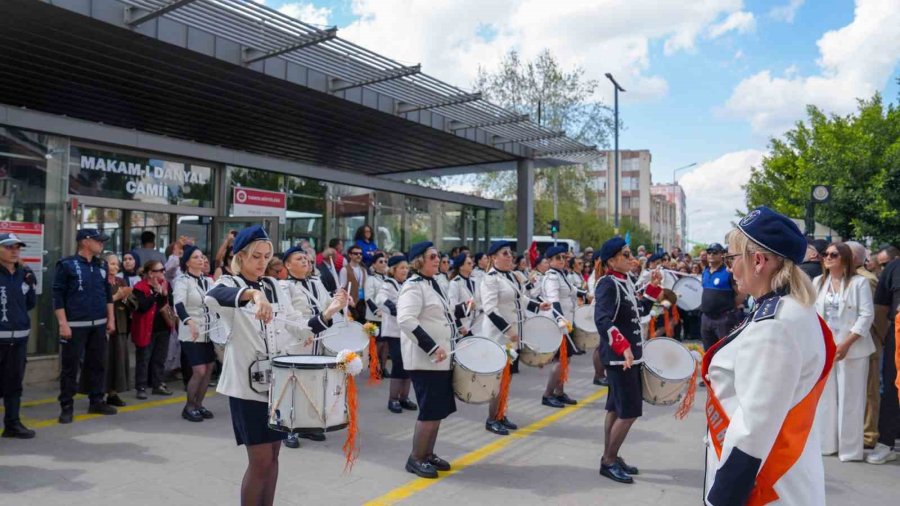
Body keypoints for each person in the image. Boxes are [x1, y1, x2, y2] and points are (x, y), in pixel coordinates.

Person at [205, 226, 347, 506]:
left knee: (273, 456)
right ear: (241, 256)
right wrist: (253, 296)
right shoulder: (231, 284)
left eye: (266, 256)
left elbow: (299, 329)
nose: (261, 262)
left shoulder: (274, 287)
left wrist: (330, 310)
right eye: (255, 256)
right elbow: (213, 296)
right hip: (246, 389)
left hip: (278, 386)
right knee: (259, 461)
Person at [703, 206, 834, 505]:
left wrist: (722, 498)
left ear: (758, 261)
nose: (729, 269)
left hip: (765, 486)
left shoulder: (775, 325)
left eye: (732, 259)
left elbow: (754, 427)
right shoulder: (785, 309)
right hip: (779, 472)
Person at [593, 237, 662, 484]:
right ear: (611, 261)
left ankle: (611, 454)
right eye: (624, 254)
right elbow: (602, 320)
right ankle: (608, 461)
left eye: (629, 252)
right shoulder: (607, 284)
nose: (629, 256)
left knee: (615, 408)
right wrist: (623, 347)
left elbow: (639, 312)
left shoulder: (625, 281)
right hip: (620, 358)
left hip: (629, 356)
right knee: (630, 411)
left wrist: (653, 288)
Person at [397, 241, 458, 479]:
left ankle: (428, 453)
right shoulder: (413, 286)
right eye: (432, 256)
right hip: (425, 359)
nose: (437, 259)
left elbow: (442, 317)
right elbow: (406, 320)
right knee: (429, 411)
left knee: (437, 410)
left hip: (441, 359)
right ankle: (416, 458)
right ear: (419, 260)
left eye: (438, 256)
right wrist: (432, 347)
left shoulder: (435, 283)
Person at [812, 242, 874, 461]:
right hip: (826, 347)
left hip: (853, 347)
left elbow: (867, 316)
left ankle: (849, 450)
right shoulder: (818, 282)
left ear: (845, 259)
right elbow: (814, 316)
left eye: (833, 254)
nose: (827, 257)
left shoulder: (859, 283)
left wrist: (846, 343)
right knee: (825, 399)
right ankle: (826, 444)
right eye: (825, 254)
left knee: (851, 399)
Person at [481, 241, 549, 435]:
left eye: (510, 253)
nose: (510, 256)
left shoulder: (511, 276)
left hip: (513, 335)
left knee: (506, 376)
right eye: (505, 253)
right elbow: (490, 309)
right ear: (494, 257)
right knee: (497, 378)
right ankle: (492, 418)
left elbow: (520, 299)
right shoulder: (490, 279)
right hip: (499, 335)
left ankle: (501, 414)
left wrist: (538, 306)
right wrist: (508, 331)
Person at [54, 229, 117, 423]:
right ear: (85, 242)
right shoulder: (67, 265)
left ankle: (96, 400)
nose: (102, 244)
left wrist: (111, 318)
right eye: (98, 241)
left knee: (98, 364)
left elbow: (107, 295)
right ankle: (66, 405)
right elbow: (58, 296)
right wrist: (63, 323)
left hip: (98, 324)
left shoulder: (101, 265)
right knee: (70, 367)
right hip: (74, 325)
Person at [279, 245, 334, 448]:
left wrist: (340, 300)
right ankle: (287, 428)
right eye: (299, 259)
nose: (305, 261)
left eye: (306, 258)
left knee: (311, 384)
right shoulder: (284, 286)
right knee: (292, 385)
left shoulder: (316, 282)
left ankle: (305, 425)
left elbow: (328, 305)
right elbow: (287, 316)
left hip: (317, 341)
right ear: (287, 265)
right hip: (297, 341)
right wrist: (304, 331)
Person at [173, 245, 219, 422]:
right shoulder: (182, 281)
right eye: (196, 257)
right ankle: (189, 406)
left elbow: (217, 301)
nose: (201, 260)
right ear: (187, 262)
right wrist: (188, 321)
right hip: (190, 331)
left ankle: (199, 404)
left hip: (208, 331)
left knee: (209, 369)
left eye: (202, 257)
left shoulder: (208, 281)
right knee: (199, 370)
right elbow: (178, 304)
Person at [0, 233, 37, 438]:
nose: (14, 251)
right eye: (9, 247)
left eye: (17, 247)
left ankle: (12, 424)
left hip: (19, 339)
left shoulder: (25, 274)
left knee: (14, 384)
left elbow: (30, 302)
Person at [847, 241, 883, 450]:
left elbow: (873, 317)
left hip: (867, 341)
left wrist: (879, 339)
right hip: (853, 341)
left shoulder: (865, 280)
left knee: (869, 389)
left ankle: (868, 434)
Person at [539, 245, 583, 408]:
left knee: (566, 358)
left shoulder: (561, 275)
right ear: (549, 261)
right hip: (558, 323)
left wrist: (587, 295)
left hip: (565, 322)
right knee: (559, 360)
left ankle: (559, 392)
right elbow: (553, 300)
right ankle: (548, 394)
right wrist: (560, 319)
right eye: (558, 258)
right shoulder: (551, 277)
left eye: (564, 257)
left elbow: (572, 291)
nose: (562, 260)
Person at [867, 252, 900, 464]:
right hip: (897, 337)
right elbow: (880, 306)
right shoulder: (894, 268)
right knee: (890, 388)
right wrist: (883, 336)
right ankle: (886, 443)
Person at [377, 255, 417, 414]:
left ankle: (404, 397)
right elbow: (381, 299)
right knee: (399, 364)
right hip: (395, 331)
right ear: (393, 270)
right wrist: (395, 310)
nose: (405, 270)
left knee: (409, 365)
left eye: (406, 268)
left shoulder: (408, 284)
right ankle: (393, 399)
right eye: (402, 268)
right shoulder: (388, 284)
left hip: (408, 331)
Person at [132, 259, 174, 399]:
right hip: (145, 328)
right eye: (160, 270)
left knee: (159, 358)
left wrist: (162, 294)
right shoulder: (139, 287)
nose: (163, 272)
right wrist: (155, 293)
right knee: (143, 359)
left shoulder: (166, 285)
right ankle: (141, 386)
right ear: (150, 273)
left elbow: (168, 305)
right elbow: (142, 307)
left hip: (163, 327)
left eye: (163, 270)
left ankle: (157, 384)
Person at [699, 243, 744, 350]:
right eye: (709, 252)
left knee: (725, 350)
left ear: (722, 254)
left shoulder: (728, 272)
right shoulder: (705, 271)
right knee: (708, 351)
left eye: (715, 252)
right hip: (706, 318)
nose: (711, 255)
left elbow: (741, 293)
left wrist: (731, 307)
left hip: (723, 319)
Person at [104, 253, 133, 408]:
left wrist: (126, 296)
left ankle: (113, 393)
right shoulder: (100, 281)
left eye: (116, 264)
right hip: (104, 326)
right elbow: (98, 302)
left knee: (118, 361)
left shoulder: (121, 281)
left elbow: (133, 304)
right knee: (104, 360)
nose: (115, 267)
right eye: (111, 263)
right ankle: (97, 394)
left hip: (121, 325)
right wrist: (116, 296)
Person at [365, 252, 388, 375]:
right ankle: (375, 367)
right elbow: (368, 298)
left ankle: (383, 367)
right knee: (377, 343)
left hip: (387, 316)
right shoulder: (371, 279)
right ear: (374, 264)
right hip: (375, 316)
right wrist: (376, 311)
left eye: (385, 261)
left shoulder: (388, 279)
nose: (384, 264)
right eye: (380, 261)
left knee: (386, 343)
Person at [447, 252, 477, 338]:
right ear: (461, 266)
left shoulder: (474, 281)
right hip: (463, 327)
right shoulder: (455, 283)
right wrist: (459, 326)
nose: (472, 265)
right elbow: (452, 308)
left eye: (472, 263)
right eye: (469, 263)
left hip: (475, 326)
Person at [340, 244, 368, 321]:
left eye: (360, 254)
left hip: (362, 303)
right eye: (356, 254)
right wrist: (345, 307)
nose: (359, 255)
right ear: (350, 255)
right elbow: (341, 289)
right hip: (350, 304)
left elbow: (367, 288)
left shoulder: (364, 270)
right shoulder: (344, 270)